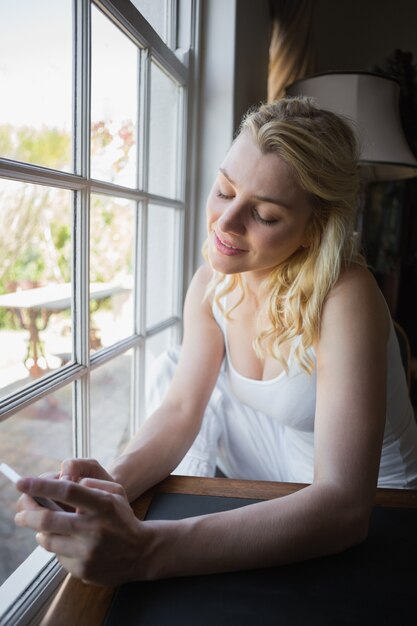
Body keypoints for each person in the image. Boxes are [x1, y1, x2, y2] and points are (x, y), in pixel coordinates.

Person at [15, 96, 417, 586]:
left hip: (382, 503)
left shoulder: (347, 295)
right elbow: (183, 408)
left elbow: (346, 507)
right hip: (279, 464)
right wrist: (109, 485)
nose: (226, 223)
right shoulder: (212, 282)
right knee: (175, 366)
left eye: (265, 215)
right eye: (225, 190)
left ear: (313, 230)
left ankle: (153, 532)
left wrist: (149, 552)